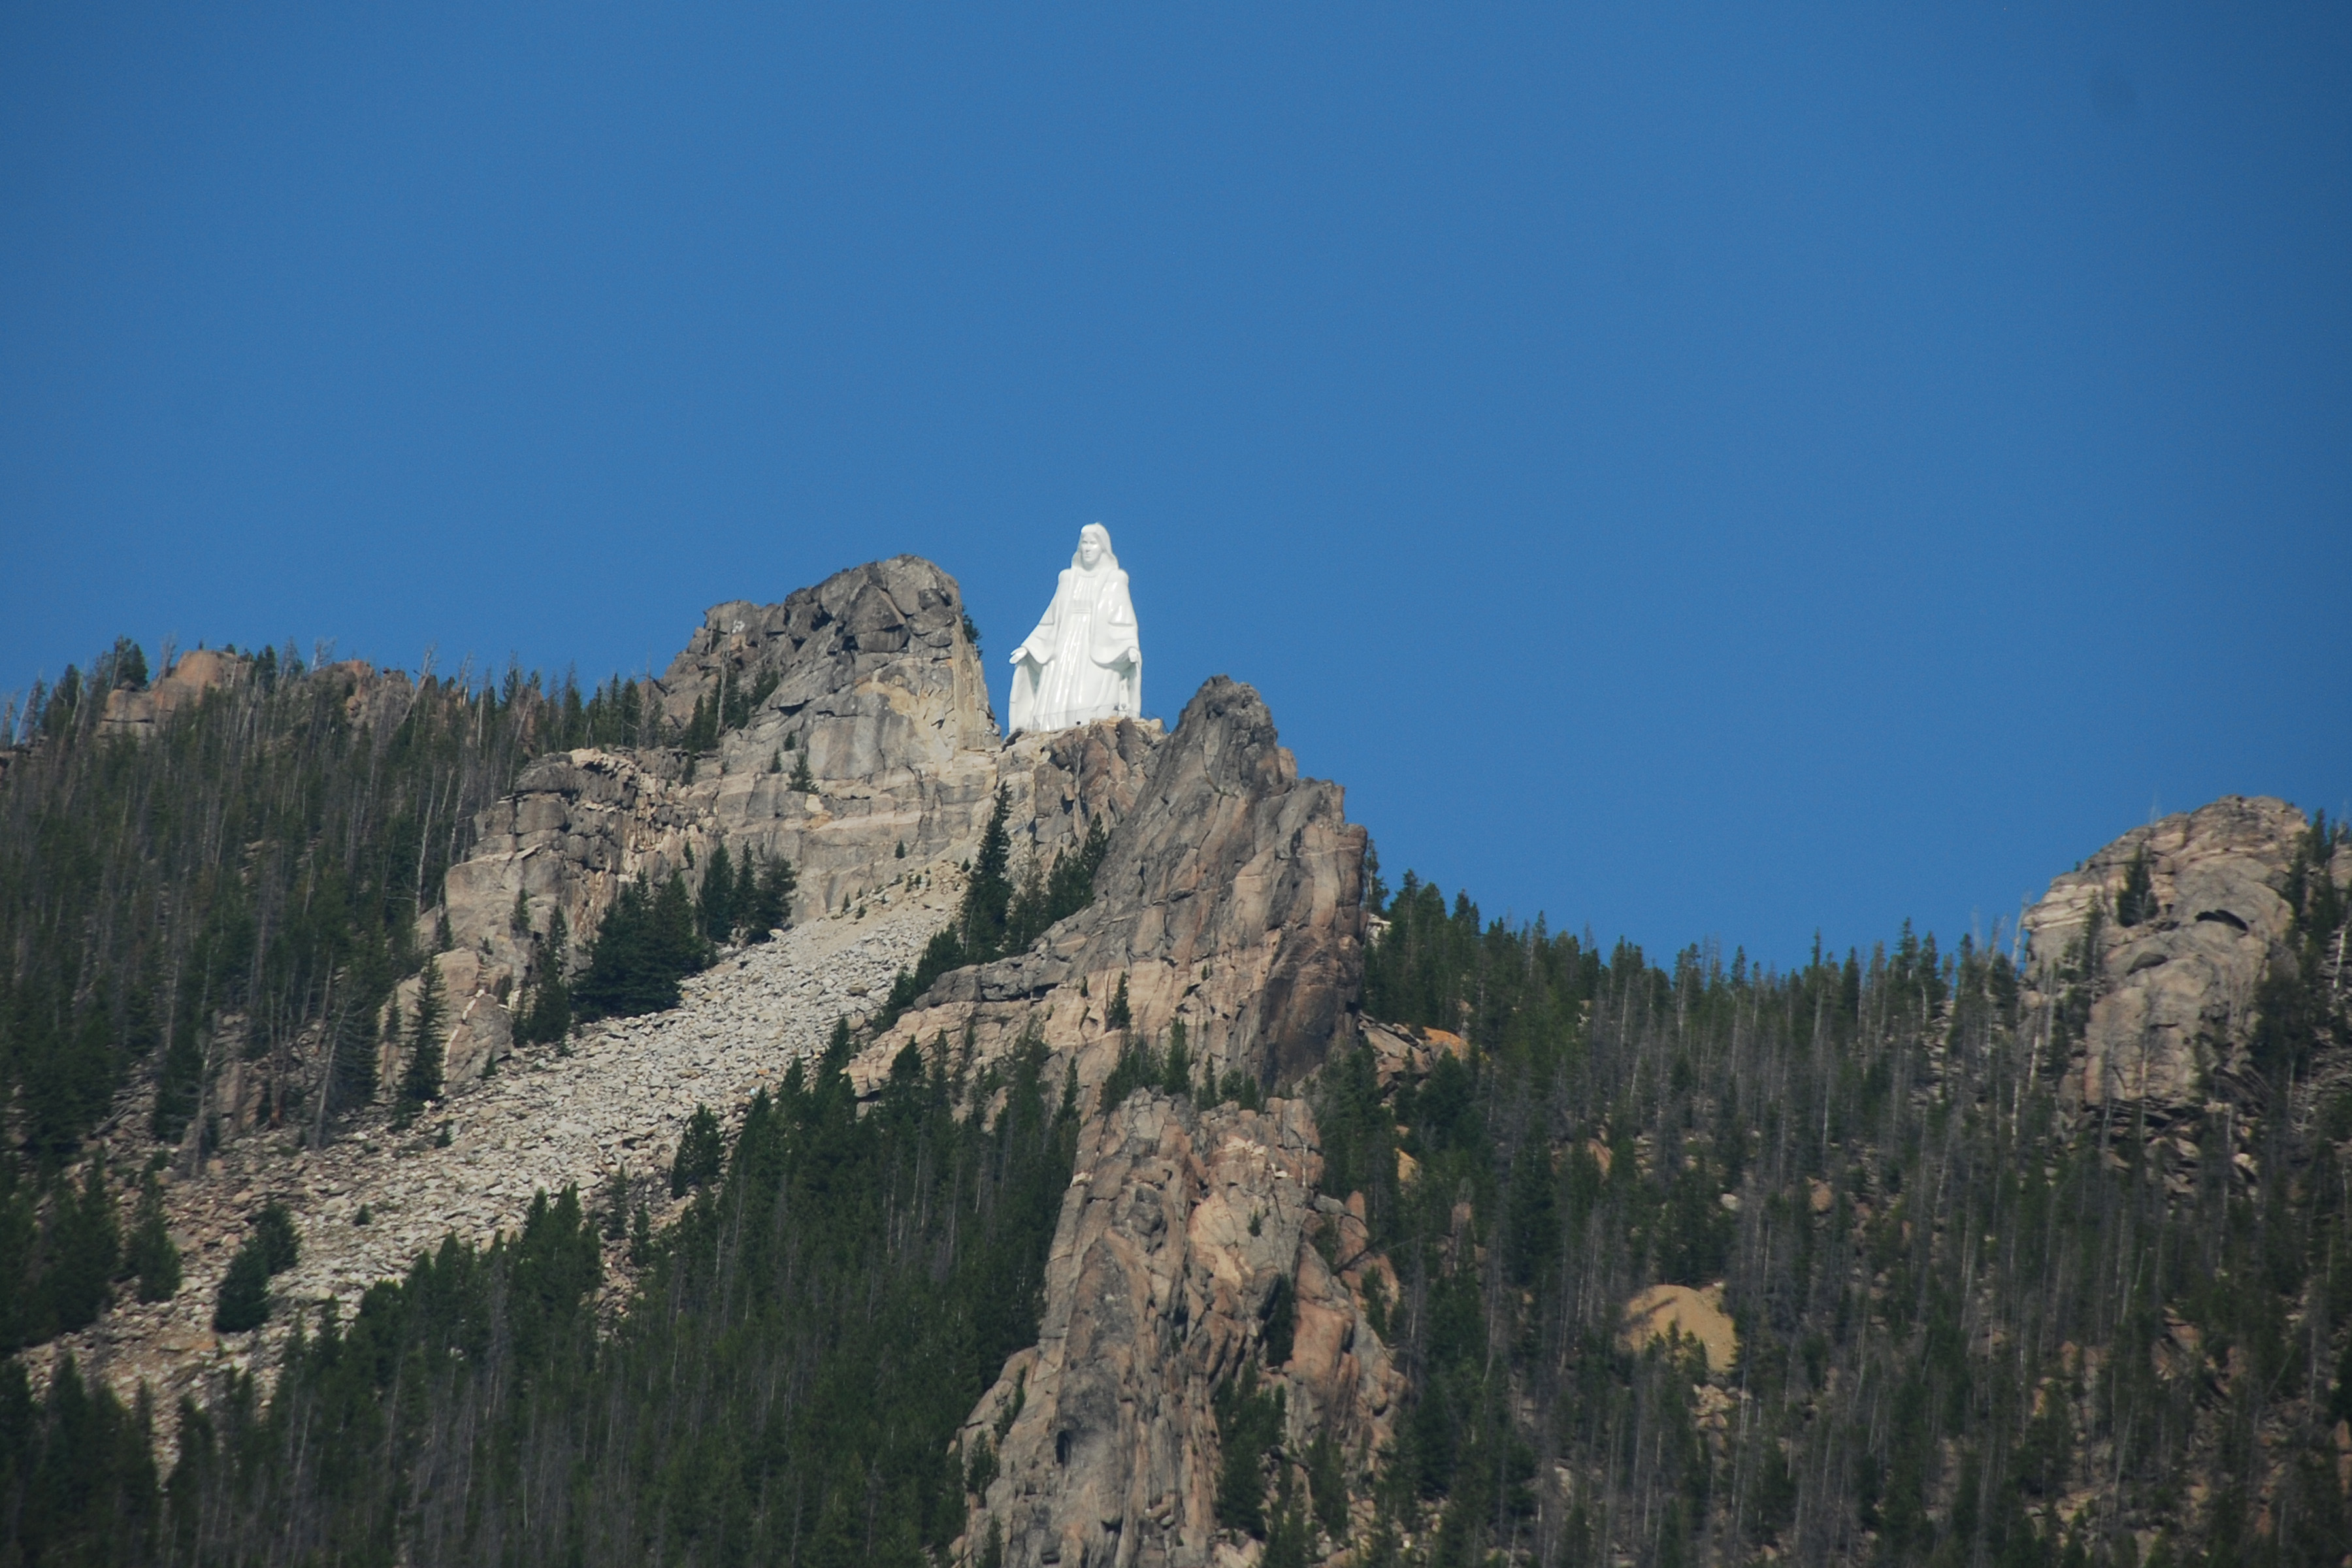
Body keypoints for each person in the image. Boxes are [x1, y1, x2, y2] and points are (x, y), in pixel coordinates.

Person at [1008, 524, 1142, 733]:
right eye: (1084, 543)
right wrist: (1029, 647)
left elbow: (1124, 622)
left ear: (1103, 548)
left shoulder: (1116, 579)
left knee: (1085, 699)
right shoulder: (1067, 578)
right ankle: (1050, 733)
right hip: (1064, 647)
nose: (1088, 548)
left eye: (1093, 543)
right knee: (1059, 696)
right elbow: (1050, 621)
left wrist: (1130, 646)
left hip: (1098, 651)